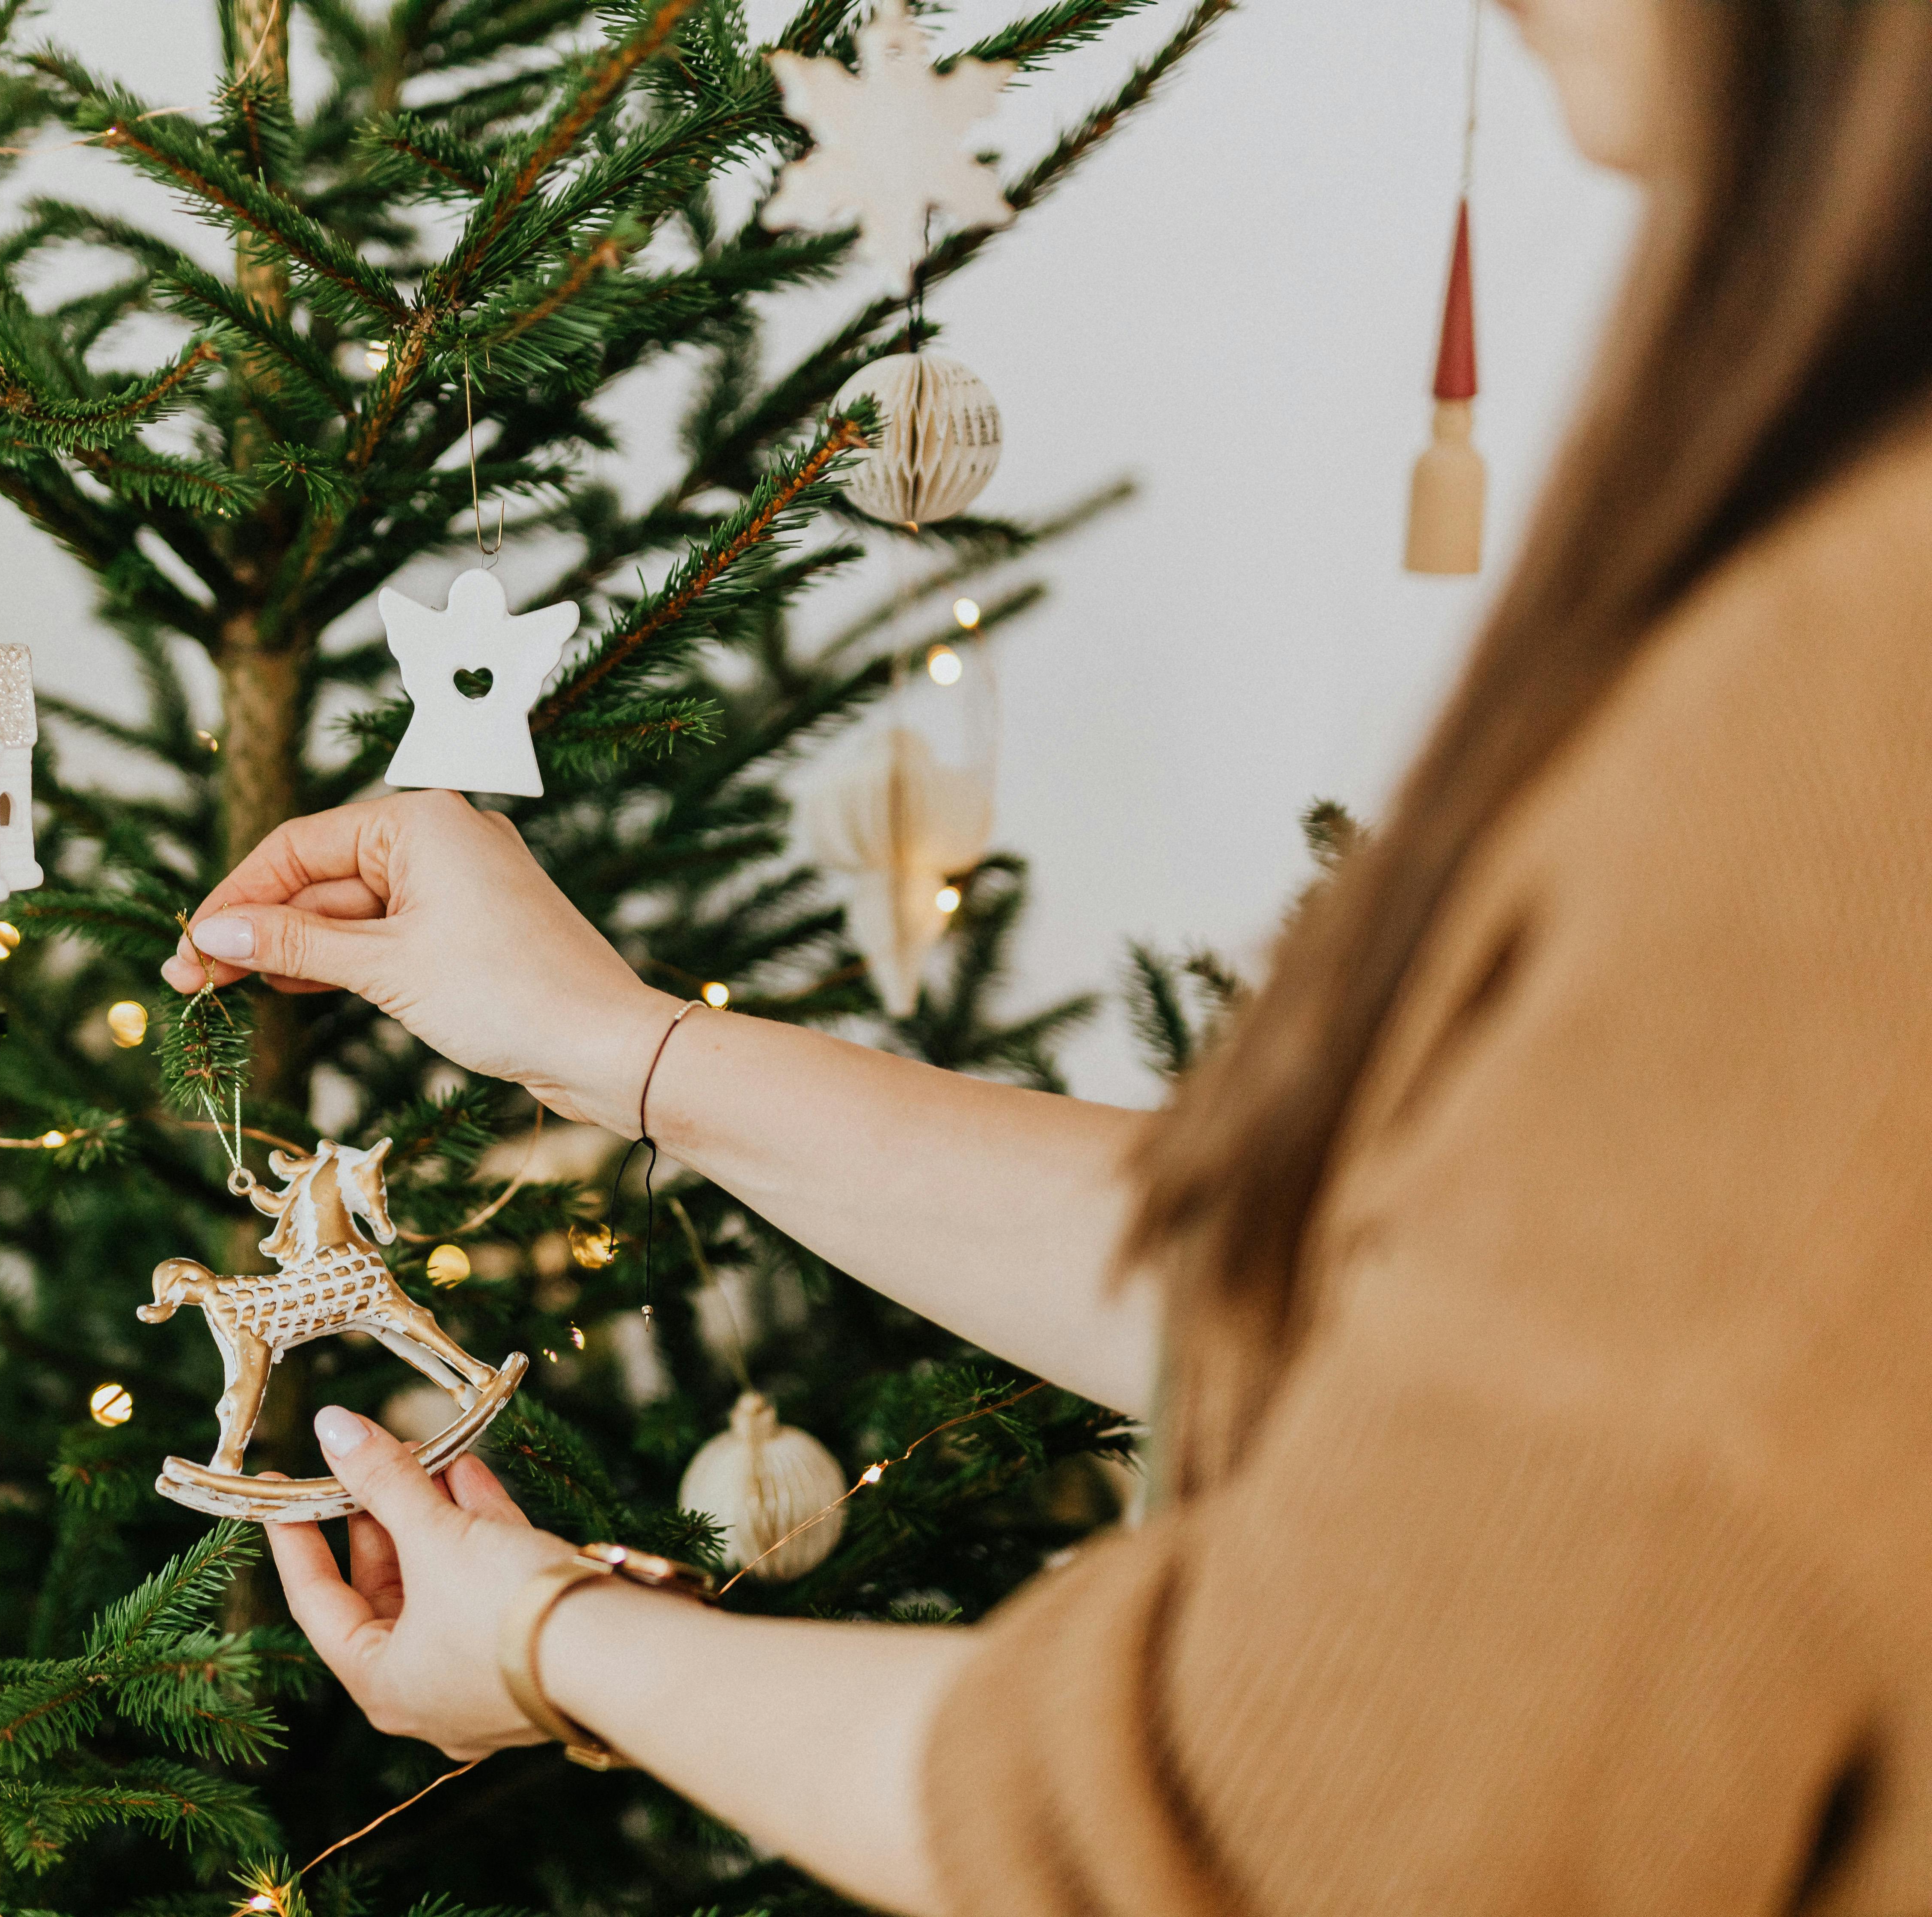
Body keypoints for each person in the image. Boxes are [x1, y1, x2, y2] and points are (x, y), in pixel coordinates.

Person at [159, 0, 1932, 1908]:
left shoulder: (1850, 690)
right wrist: (612, 1042)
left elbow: (1262, 1820)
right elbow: (1346, 1310)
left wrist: (552, 1641)